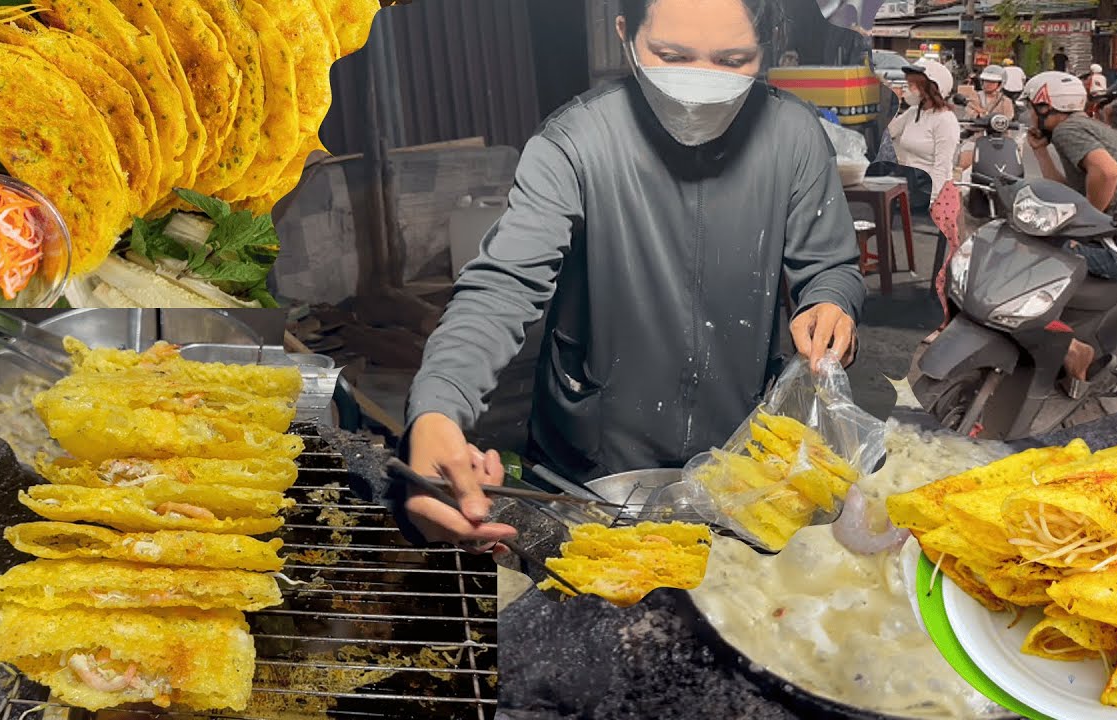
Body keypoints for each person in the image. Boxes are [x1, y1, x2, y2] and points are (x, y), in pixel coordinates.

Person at [396, 0, 866, 549]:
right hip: (590, 465)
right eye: (671, 55)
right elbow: (502, 286)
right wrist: (436, 408)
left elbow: (831, 266)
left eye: (733, 59)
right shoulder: (573, 142)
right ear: (625, 35)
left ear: (767, 50)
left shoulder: (794, 136)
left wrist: (831, 301)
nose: (699, 82)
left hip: (736, 460)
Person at [1024, 71, 1117, 282]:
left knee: (1029, 244)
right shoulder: (1093, 126)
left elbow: (1107, 171)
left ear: (1045, 107)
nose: (1030, 115)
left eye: (1031, 108)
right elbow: (1066, 194)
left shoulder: (1067, 130)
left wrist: (1087, 223)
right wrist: (1040, 151)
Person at [889, 60, 961, 205]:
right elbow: (889, 132)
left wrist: (933, 200)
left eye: (912, 86)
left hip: (930, 190)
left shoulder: (945, 120)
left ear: (930, 89)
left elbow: (942, 166)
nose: (907, 90)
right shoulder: (914, 112)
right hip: (910, 184)